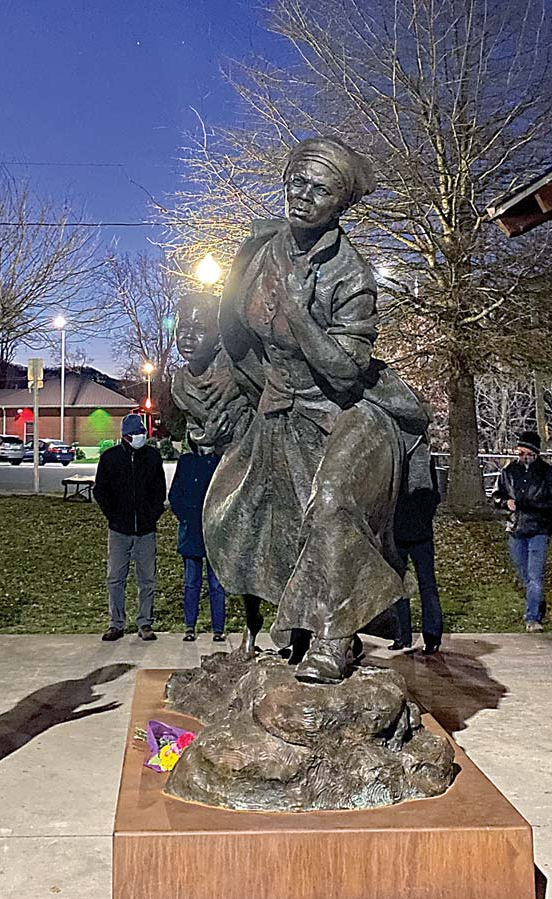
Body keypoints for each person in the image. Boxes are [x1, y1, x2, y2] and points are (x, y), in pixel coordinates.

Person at [202, 136, 432, 683]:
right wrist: (247, 391)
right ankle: (286, 632)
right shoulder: (259, 249)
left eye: (319, 189)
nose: (302, 196)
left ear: (340, 204)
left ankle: (337, 639)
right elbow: (236, 331)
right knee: (242, 515)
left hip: (346, 410)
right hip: (280, 407)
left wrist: (302, 318)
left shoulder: (350, 274)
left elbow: (347, 371)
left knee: (331, 506)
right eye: (295, 183)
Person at [94, 413, 166, 642]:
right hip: (119, 530)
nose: (140, 437)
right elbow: (100, 491)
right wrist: (113, 516)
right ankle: (116, 623)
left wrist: (152, 515)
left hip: (145, 529)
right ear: (125, 436)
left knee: (147, 579)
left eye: (142, 433)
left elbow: (159, 490)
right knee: (115, 578)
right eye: (136, 434)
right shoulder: (110, 459)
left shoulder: (152, 457)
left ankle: (145, 622)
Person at [494, 431, 552, 632]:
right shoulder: (509, 472)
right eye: (520, 452)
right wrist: (504, 503)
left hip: (538, 529)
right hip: (516, 528)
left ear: (535, 453)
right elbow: (497, 495)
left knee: (535, 574)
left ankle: (532, 616)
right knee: (523, 573)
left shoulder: (548, 473)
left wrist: (534, 505)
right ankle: (537, 601)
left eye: (526, 452)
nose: (522, 456)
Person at [169, 441, 227, 643]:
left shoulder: (220, 462)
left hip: (214, 534)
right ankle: (190, 626)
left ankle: (218, 628)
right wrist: (185, 516)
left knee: (216, 585)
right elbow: (175, 494)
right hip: (192, 531)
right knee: (192, 583)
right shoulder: (186, 462)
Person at [389, 453, 443, 655]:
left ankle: (431, 635)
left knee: (426, 584)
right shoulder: (395, 457)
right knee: (399, 584)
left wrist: (423, 515)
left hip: (419, 533)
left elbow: (433, 494)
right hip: (399, 532)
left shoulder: (423, 459)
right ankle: (401, 634)